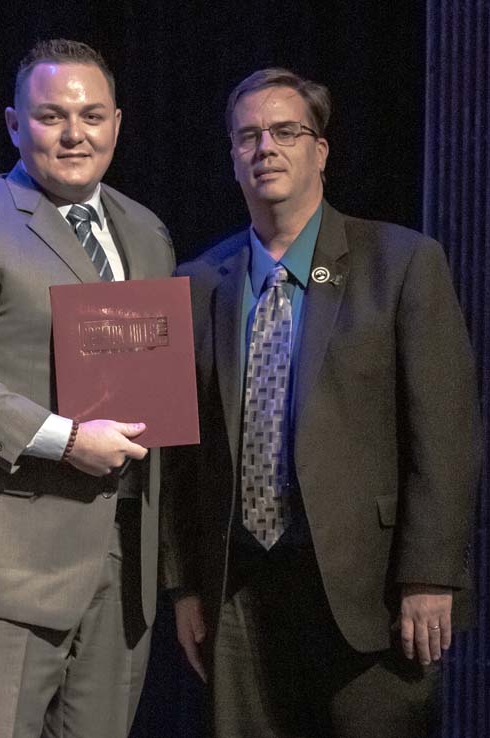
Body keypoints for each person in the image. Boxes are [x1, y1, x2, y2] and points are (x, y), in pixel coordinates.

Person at [161, 68, 481, 738]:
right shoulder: (196, 283)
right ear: (231, 156)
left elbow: (445, 436)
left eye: (285, 132)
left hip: (373, 597)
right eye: (247, 136)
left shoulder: (400, 261)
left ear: (321, 150)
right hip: (239, 594)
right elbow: (182, 457)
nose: (264, 148)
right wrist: (185, 586)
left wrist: (429, 577)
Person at [0, 39, 175, 738]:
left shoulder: (146, 231)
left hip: (123, 570)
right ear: (14, 125)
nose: (75, 133)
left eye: (92, 115)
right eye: (52, 116)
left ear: (118, 122)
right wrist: (67, 439)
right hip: (6, 566)